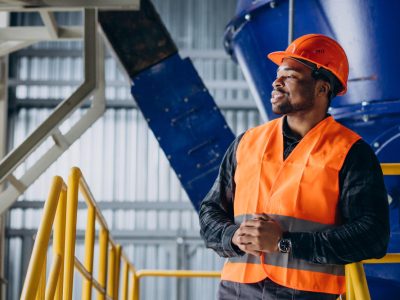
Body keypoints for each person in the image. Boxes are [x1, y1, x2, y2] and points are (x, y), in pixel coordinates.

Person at [199, 34, 390, 300]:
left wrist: (284, 243)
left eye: (290, 76)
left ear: (322, 89)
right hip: (236, 291)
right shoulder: (247, 142)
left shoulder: (351, 152)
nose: (276, 82)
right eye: (278, 74)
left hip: (305, 294)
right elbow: (210, 211)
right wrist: (232, 236)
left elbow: (372, 236)